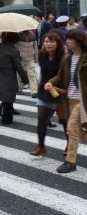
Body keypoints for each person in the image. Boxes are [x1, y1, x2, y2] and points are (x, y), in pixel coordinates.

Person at [46, 29, 87, 173]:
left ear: (78, 41)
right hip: (70, 99)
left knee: (71, 128)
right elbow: (61, 74)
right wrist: (51, 82)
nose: (67, 42)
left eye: (70, 39)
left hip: (83, 99)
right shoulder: (67, 58)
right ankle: (71, 161)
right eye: (66, 39)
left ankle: (70, 161)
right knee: (78, 130)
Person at [29, 31, 66, 157]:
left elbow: (64, 76)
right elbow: (42, 74)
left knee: (64, 121)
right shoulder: (41, 55)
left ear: (58, 43)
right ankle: (41, 146)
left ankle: (69, 146)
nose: (48, 44)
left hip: (60, 92)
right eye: (46, 41)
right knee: (41, 119)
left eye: (51, 41)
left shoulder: (64, 56)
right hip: (44, 90)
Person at [0, 32, 28, 124]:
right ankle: (7, 118)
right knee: (9, 97)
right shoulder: (13, 50)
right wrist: (25, 79)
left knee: (7, 96)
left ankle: (5, 113)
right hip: (9, 75)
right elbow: (18, 66)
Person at [16, 30, 38, 97]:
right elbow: (15, 46)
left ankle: (34, 91)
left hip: (30, 58)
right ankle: (19, 88)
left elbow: (35, 47)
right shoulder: (17, 35)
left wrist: (36, 58)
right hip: (20, 58)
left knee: (32, 75)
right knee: (19, 75)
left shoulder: (32, 35)